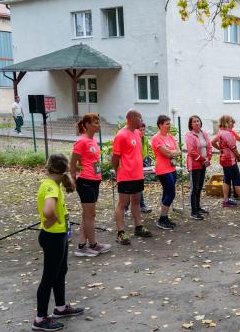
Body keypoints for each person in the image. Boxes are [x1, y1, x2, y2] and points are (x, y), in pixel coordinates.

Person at [33, 154, 84, 332]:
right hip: (52, 237)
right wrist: (52, 220)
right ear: (63, 169)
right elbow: (48, 211)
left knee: (61, 271)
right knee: (49, 277)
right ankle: (40, 319)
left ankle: (60, 308)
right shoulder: (50, 187)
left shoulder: (52, 184)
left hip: (58, 235)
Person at [69, 113, 111, 257]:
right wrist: (73, 179)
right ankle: (93, 244)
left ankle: (81, 245)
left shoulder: (93, 141)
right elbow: (73, 162)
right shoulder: (81, 141)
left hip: (94, 181)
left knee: (87, 215)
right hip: (85, 181)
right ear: (87, 125)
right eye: (95, 122)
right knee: (90, 215)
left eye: (98, 122)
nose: (98, 125)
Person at [112, 109, 153, 245]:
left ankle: (138, 227)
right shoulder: (121, 135)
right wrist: (117, 171)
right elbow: (115, 157)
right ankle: (120, 233)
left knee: (136, 201)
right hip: (125, 175)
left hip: (137, 174)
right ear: (132, 118)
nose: (141, 121)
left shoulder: (137, 133)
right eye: (139, 118)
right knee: (122, 204)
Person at [211, 115, 240, 209]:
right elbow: (234, 148)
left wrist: (221, 149)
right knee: (236, 179)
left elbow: (213, 142)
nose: (233, 123)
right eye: (231, 121)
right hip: (230, 160)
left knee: (227, 179)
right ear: (225, 122)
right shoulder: (227, 134)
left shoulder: (221, 132)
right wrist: (238, 157)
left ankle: (226, 200)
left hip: (224, 159)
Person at [151, 115, 180, 230]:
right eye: (167, 124)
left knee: (167, 192)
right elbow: (167, 153)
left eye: (169, 123)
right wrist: (172, 152)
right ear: (160, 125)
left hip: (172, 168)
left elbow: (178, 151)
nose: (169, 126)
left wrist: (172, 152)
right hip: (162, 169)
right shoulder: (156, 138)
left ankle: (164, 217)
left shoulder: (171, 137)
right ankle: (162, 219)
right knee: (171, 193)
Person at [185, 115, 212, 220]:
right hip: (195, 164)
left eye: (198, 121)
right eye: (194, 121)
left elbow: (209, 146)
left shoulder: (204, 133)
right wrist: (202, 159)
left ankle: (198, 207)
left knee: (200, 187)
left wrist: (208, 158)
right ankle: (193, 211)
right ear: (191, 124)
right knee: (194, 188)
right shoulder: (189, 136)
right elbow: (191, 151)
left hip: (203, 164)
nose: (197, 123)